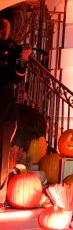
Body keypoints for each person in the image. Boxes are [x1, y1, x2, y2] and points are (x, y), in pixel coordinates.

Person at [0, 18, 31, 204]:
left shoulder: (10, 50)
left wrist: (24, 57)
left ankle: (0, 197)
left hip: (5, 112)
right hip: (6, 113)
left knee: (2, 156)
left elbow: (16, 76)